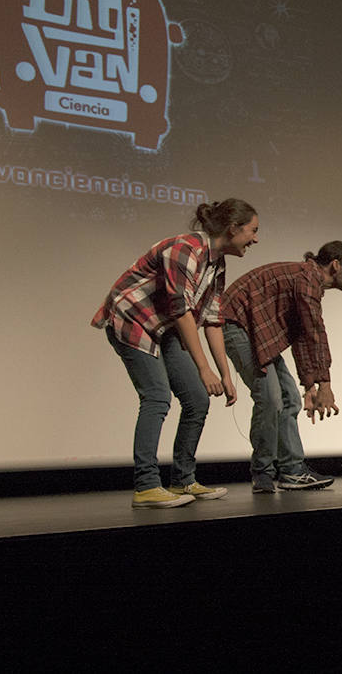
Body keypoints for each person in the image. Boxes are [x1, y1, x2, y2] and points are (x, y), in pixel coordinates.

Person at [92, 199, 259, 508]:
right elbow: (182, 311)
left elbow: (211, 320)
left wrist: (225, 374)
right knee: (156, 397)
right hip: (132, 319)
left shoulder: (216, 264)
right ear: (233, 228)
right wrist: (204, 368)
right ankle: (146, 487)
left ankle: (183, 480)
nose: (256, 239)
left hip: (163, 327)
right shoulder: (185, 249)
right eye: (252, 230)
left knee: (197, 399)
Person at [222, 241, 342, 492]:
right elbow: (314, 332)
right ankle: (262, 472)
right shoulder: (308, 280)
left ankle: (292, 471)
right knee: (271, 397)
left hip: (257, 334)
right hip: (237, 325)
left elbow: (300, 338)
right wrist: (324, 384)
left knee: (291, 399)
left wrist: (309, 386)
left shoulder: (307, 280)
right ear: (335, 265)